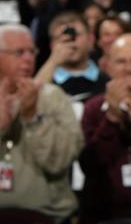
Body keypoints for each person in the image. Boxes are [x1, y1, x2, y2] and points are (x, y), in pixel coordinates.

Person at [0, 23, 83, 220]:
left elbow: (61, 160)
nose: (28, 58)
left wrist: (32, 117)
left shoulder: (54, 97)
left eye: (32, 51)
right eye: (19, 52)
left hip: (48, 215)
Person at [79, 33, 131, 223]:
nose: (129, 68)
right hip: (104, 215)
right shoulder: (93, 108)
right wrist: (112, 118)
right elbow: (89, 165)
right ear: (107, 67)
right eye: (121, 61)